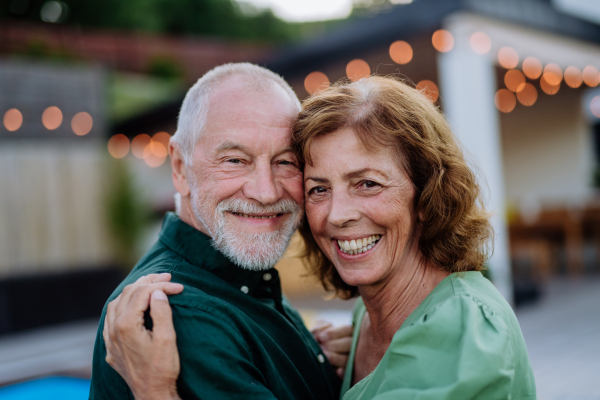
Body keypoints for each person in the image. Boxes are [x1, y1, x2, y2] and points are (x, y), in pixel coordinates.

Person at [104, 76, 537, 399]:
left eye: (368, 183)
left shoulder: (463, 328)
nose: (337, 215)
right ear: (179, 167)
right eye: (319, 189)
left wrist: (156, 392)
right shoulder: (173, 313)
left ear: (425, 195)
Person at [89, 63, 352, 400]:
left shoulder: (240, 277)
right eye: (234, 160)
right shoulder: (180, 314)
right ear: (181, 168)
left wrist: (309, 360)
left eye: (285, 162)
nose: (266, 192)